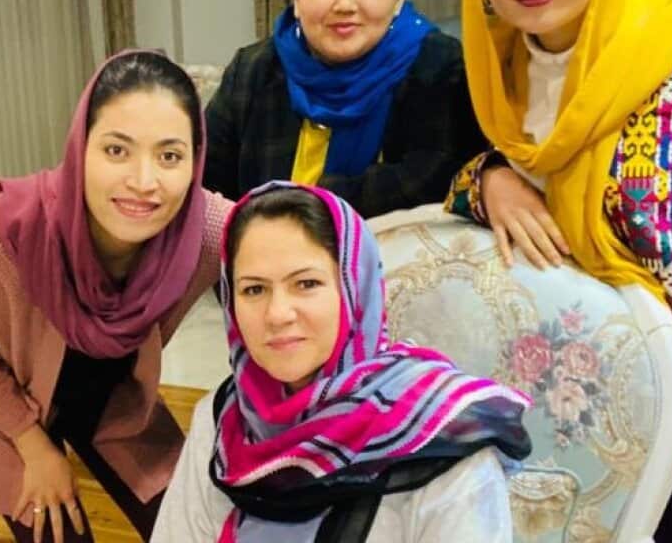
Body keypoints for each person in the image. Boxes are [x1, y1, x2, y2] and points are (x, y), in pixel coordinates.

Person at [444, 0, 672, 535]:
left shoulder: (666, 57)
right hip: (574, 421)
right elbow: (446, 189)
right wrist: (490, 179)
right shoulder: (495, 78)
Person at [0, 49, 233, 542]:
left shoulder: (202, 229)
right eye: (117, 150)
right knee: (56, 528)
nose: (143, 183)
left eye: (169, 156)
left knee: (195, 526)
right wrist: (35, 449)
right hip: (11, 413)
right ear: (81, 149)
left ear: (195, 162)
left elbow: (293, 245)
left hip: (115, 403)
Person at [153, 181, 531, 542]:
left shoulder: (443, 438)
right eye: (254, 289)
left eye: (306, 284)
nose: (277, 313)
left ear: (355, 288)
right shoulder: (224, 422)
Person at [205, 0, 485, 218]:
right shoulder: (253, 70)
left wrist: (309, 205)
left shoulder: (439, 68)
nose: (346, 4)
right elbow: (204, 187)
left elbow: (433, 181)